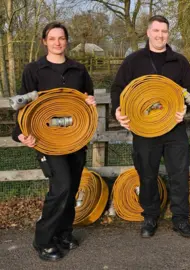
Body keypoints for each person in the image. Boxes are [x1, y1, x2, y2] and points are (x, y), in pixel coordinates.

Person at [11, 22, 96, 261]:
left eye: (61, 38)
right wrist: (20, 133)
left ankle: (63, 234)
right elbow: (23, 107)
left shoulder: (78, 70)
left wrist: (88, 102)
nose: (57, 42)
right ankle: (43, 240)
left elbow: (86, 97)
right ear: (44, 42)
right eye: (52, 38)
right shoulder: (34, 70)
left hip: (76, 139)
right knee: (61, 187)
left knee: (72, 188)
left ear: (67, 41)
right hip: (47, 141)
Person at [111, 15, 190, 238]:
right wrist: (117, 111)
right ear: (148, 33)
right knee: (147, 175)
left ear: (168, 34)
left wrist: (184, 109)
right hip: (144, 130)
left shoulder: (179, 61)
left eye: (164, 31)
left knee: (178, 174)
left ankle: (180, 219)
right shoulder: (134, 61)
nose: (160, 35)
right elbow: (118, 90)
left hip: (174, 128)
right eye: (156, 31)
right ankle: (150, 216)